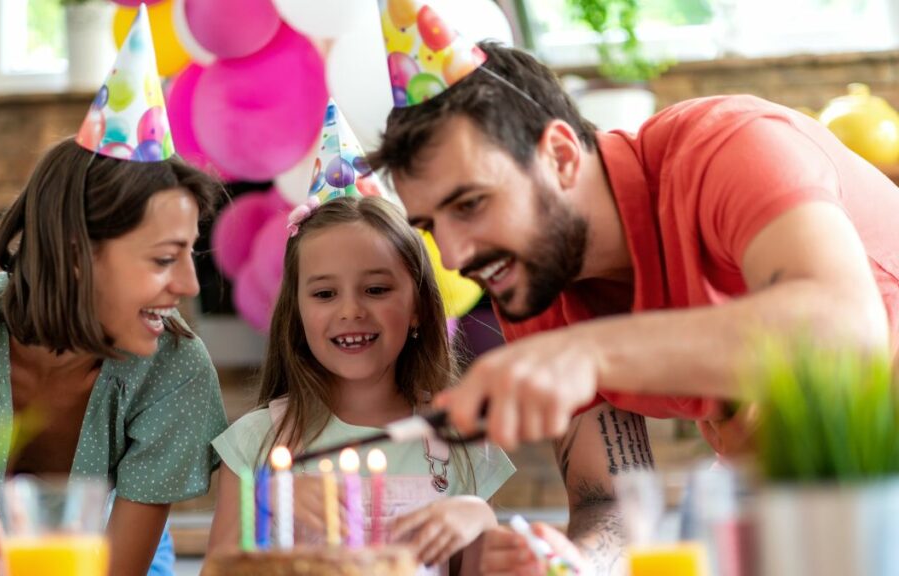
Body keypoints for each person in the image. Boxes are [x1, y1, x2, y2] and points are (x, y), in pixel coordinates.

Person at [369, 40, 899, 573]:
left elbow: (845, 335)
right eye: (433, 226)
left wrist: (585, 352)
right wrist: (574, 562)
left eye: (471, 204)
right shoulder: (534, 279)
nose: (456, 255)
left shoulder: (732, 146)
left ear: (560, 155)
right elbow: (609, 501)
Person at [0, 137, 228, 576]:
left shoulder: (176, 371)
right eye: (163, 259)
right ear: (75, 253)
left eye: (190, 254)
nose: (190, 285)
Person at [206, 195, 516, 575]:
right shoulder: (255, 445)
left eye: (376, 289)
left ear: (418, 306)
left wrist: (479, 518)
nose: (351, 310)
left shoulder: (461, 441)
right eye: (324, 294)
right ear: (296, 311)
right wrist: (264, 501)